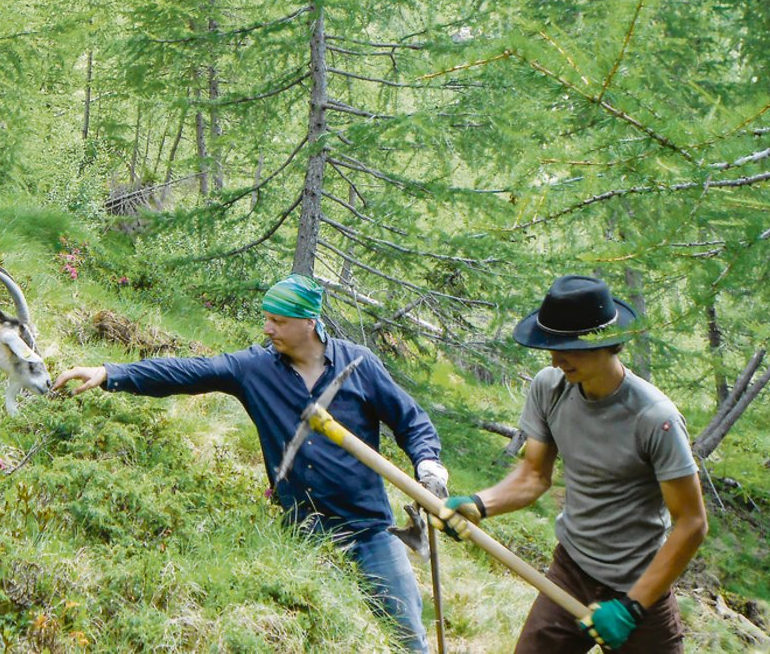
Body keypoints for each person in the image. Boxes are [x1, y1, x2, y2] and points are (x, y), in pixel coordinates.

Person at [53, 273, 448, 654]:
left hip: (369, 532)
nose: (267, 328)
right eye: (267, 318)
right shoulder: (254, 369)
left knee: (408, 639)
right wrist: (111, 373)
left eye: (278, 320)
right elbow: (189, 371)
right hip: (303, 536)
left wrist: (428, 466)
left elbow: (411, 421)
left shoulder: (358, 366)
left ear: (309, 322)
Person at [439, 274, 708, 653]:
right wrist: (480, 504)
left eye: (568, 346)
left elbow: (692, 523)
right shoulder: (550, 388)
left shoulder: (655, 418)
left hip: (640, 586)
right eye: (551, 345)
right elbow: (534, 475)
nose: (554, 357)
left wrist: (631, 608)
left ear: (604, 343)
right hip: (571, 571)